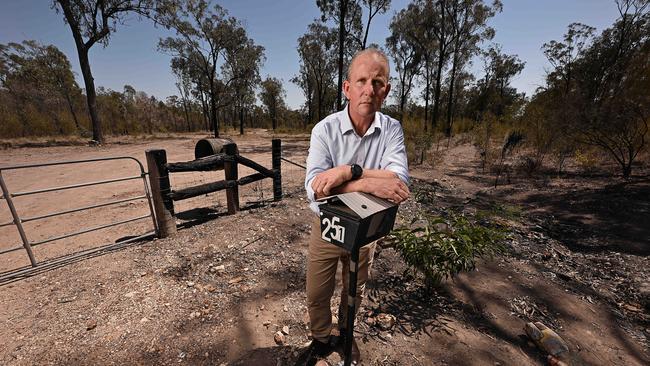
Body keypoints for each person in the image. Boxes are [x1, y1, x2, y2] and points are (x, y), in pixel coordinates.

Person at [301, 48, 410, 365]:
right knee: (317, 291)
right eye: (361, 80)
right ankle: (321, 339)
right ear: (347, 88)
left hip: (367, 227)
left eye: (377, 82)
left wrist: (348, 172)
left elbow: (399, 182)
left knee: (355, 289)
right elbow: (314, 190)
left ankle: (346, 334)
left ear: (386, 90)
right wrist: (367, 182)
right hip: (327, 224)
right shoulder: (325, 130)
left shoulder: (391, 129)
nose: (369, 89)